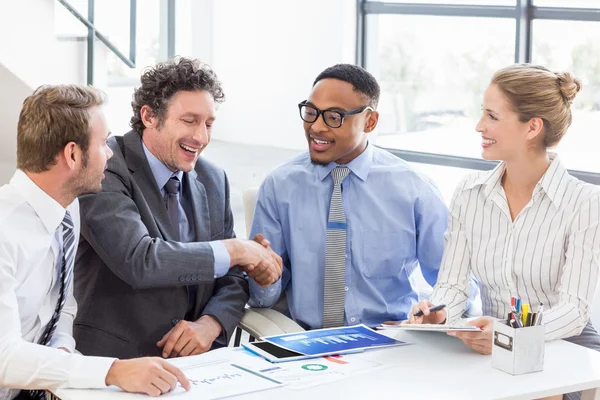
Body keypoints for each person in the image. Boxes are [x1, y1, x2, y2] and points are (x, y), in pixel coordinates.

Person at [73, 57, 282, 360]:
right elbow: (139, 260)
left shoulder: (213, 180)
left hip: (196, 365)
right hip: (114, 362)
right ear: (149, 116)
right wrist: (237, 249)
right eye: (189, 120)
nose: (201, 137)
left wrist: (210, 325)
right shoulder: (105, 167)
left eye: (208, 124)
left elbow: (233, 278)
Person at [248, 63, 478, 330]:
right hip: (308, 341)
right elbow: (264, 296)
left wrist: (439, 311)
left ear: (370, 121)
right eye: (311, 113)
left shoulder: (414, 190)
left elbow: (456, 282)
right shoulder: (279, 185)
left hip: (392, 339)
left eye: (334, 116)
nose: (317, 127)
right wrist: (264, 280)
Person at [0, 85, 191, 399]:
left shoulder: (67, 209)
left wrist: (63, 361)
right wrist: (111, 371)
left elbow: (61, 307)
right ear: (73, 155)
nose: (110, 153)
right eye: (103, 143)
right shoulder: (5, 231)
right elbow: (4, 357)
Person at [409, 64, 600, 369]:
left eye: (492, 116)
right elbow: (453, 285)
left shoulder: (584, 202)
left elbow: (574, 311)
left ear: (532, 128)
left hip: (564, 347)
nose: (479, 126)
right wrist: (440, 312)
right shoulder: (469, 194)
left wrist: (510, 335)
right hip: (489, 346)